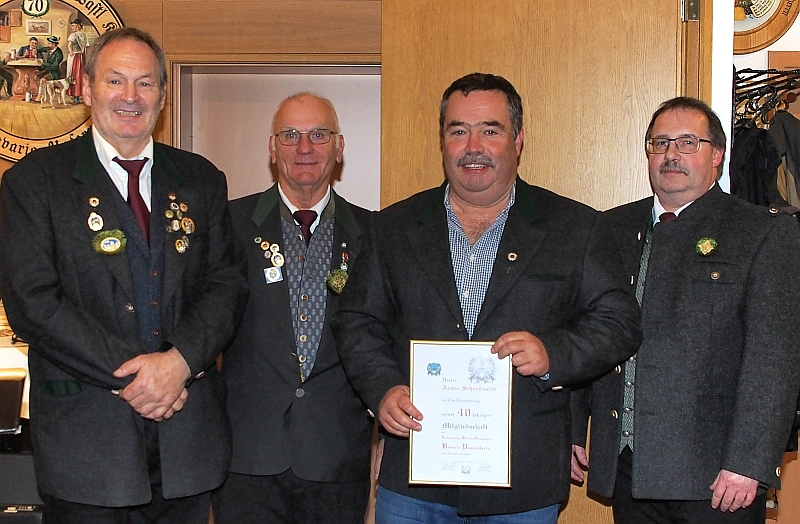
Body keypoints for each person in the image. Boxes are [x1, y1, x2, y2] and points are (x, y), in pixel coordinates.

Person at [331, 72, 642, 523]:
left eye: (490, 131)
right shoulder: (392, 228)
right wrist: (382, 389)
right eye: (458, 131)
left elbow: (619, 321)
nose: (473, 147)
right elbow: (357, 321)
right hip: (415, 478)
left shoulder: (575, 227)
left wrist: (553, 353)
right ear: (443, 141)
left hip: (522, 484)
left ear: (518, 140)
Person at [0, 27, 248, 523]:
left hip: (186, 443)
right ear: (86, 88)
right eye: (115, 80)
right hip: (87, 448)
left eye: (145, 83)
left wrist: (178, 363)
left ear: (162, 96)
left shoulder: (201, 179)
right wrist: (144, 377)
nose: (130, 96)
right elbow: (33, 301)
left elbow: (226, 285)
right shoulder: (34, 181)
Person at [570, 97, 800, 524]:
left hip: (717, 477)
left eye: (688, 142)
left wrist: (749, 462)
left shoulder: (763, 232)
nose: (671, 154)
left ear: (717, 155)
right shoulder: (611, 228)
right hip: (627, 465)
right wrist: (573, 428)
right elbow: (588, 332)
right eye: (660, 143)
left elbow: (774, 361)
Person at [213, 93, 373, 524]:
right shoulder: (229, 224)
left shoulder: (373, 234)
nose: (305, 147)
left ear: (339, 147)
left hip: (337, 459)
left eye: (319, 135)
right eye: (290, 135)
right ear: (272, 148)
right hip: (247, 458)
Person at [66, 19, 88, 103]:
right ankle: (78, 95)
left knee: (74, 74)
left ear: (77, 26)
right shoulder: (83, 35)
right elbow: (86, 47)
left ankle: (75, 95)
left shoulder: (74, 35)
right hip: (82, 56)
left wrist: (71, 52)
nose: (72, 27)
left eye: (73, 26)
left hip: (75, 57)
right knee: (80, 75)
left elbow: (69, 45)